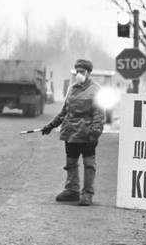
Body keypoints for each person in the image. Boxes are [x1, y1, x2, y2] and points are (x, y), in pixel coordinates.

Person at [41, 59, 105, 206]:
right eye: (77, 72)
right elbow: (64, 112)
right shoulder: (72, 89)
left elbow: (99, 114)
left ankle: (88, 193)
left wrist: (95, 133)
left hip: (87, 133)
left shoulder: (96, 90)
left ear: (88, 73)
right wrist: (50, 126)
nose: (79, 74)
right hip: (70, 133)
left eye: (82, 72)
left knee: (89, 164)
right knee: (71, 162)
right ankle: (72, 190)